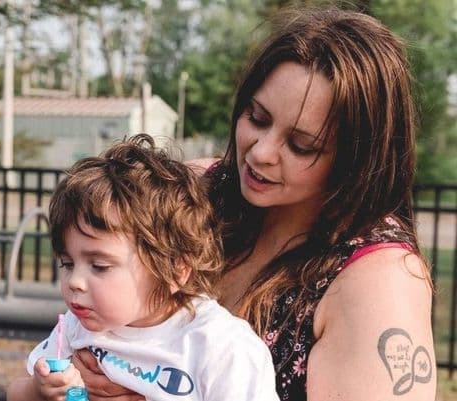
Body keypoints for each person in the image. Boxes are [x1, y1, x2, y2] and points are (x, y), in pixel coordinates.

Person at [71, 7, 436, 401]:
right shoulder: (193, 195)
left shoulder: (379, 283)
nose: (260, 152)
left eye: (301, 145)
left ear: (356, 160)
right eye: (257, 118)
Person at [6, 134, 279, 401]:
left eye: (99, 266)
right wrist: (38, 391)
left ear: (176, 270)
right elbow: (16, 391)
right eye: (67, 263)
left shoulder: (219, 347)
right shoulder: (76, 326)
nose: (75, 281)